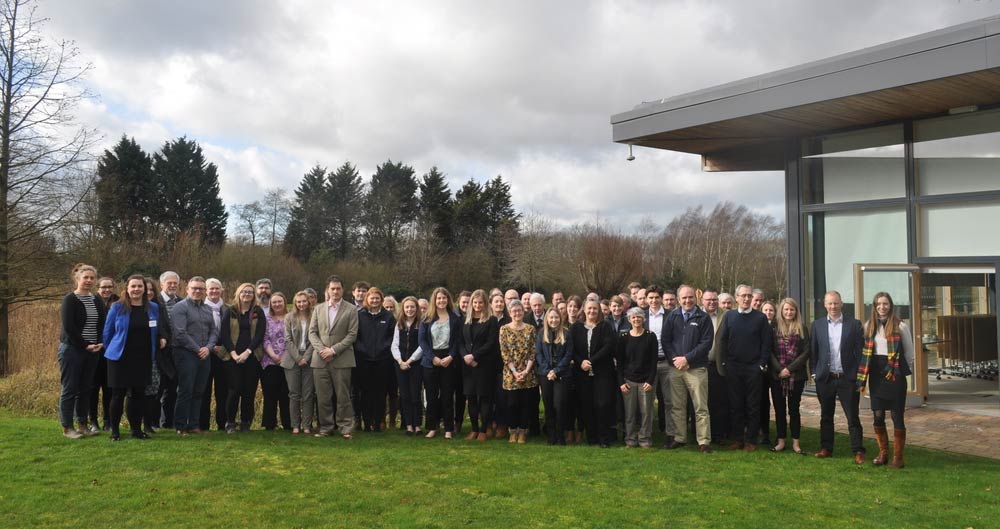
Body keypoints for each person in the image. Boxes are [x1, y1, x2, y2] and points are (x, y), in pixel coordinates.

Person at [101, 275, 166, 441]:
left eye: (140, 286)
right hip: (120, 358)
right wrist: (112, 351)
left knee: (138, 396)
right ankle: (114, 431)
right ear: (127, 289)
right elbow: (107, 333)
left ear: (144, 289)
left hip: (143, 358)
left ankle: (136, 430)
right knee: (118, 395)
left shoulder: (152, 308)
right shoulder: (117, 307)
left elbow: (156, 330)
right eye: (133, 286)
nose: (136, 289)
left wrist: (161, 339)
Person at [860, 292, 915, 468]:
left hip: (895, 374)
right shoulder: (869, 325)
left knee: (896, 415)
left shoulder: (901, 326)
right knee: (877, 415)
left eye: (885, 304)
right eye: (878, 304)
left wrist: (900, 370)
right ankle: (883, 453)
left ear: (890, 305)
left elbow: (910, 354)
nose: (882, 307)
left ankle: (898, 457)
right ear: (874, 307)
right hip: (876, 374)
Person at [809, 290, 865, 462]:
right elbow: (813, 351)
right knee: (826, 415)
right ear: (825, 305)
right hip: (825, 378)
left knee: (852, 416)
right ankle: (826, 448)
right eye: (829, 303)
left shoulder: (854, 324)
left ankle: (858, 451)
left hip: (847, 378)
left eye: (836, 303)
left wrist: (859, 376)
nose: (833, 306)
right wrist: (814, 372)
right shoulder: (817, 325)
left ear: (842, 303)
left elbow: (861, 352)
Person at [717, 284, 773, 452]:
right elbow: (723, 341)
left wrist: (761, 364)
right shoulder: (729, 316)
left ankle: (751, 440)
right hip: (734, 367)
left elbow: (766, 344)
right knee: (736, 405)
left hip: (753, 368)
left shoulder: (760, 318)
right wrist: (725, 363)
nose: (747, 298)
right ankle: (738, 438)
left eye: (749, 295)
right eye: (743, 296)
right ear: (737, 298)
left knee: (753, 405)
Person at [662, 285, 714, 453]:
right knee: (677, 406)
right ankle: (679, 438)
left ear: (695, 298)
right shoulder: (672, 317)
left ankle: (703, 441)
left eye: (690, 297)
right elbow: (666, 341)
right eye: (684, 298)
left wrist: (687, 358)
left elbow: (706, 344)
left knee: (700, 407)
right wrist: (676, 360)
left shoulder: (703, 318)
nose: (687, 300)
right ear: (678, 299)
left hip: (696, 368)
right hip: (675, 369)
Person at [58, 264, 106, 439]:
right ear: (77, 279)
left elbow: (102, 323)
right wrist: (85, 344)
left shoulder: (97, 300)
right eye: (85, 277)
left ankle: (83, 425)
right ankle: (67, 427)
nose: (89, 281)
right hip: (72, 350)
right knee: (70, 388)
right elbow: (69, 327)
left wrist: (99, 343)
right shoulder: (70, 300)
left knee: (86, 388)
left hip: (93, 350)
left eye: (92, 278)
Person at [309, 275, 359, 440]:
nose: (335, 291)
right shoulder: (318, 308)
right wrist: (323, 350)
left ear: (342, 290)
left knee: (343, 395)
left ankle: (345, 428)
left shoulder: (351, 309)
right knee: (323, 397)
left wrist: (334, 350)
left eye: (338, 288)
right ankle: (326, 427)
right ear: (327, 290)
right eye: (332, 288)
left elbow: (352, 335)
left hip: (342, 358)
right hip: (320, 359)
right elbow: (312, 333)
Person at [171, 276, 218, 436]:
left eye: (201, 289)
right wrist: (199, 349)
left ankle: (194, 425)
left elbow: (214, 331)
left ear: (205, 291)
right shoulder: (180, 307)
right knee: (186, 390)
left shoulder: (207, 309)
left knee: (199, 391)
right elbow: (179, 333)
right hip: (186, 354)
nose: (198, 291)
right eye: (194, 288)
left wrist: (209, 348)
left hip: (205, 355)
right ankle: (180, 426)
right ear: (187, 290)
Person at [220, 282, 266, 434]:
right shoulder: (230, 311)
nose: (247, 294)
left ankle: (246, 422)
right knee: (234, 390)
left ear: (254, 295)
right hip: (233, 358)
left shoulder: (258, 312)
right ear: (239, 293)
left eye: (250, 292)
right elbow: (224, 334)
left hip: (251, 357)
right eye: (244, 292)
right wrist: (234, 354)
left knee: (249, 391)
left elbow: (260, 334)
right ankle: (230, 423)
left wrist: (247, 352)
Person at [571, 299, 617, 447]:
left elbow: (608, 347)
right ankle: (592, 438)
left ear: (599, 311)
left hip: (603, 372)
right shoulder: (576, 328)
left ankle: (604, 438)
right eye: (589, 309)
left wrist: (591, 361)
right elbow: (572, 349)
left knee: (602, 404)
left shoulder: (606, 326)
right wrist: (581, 362)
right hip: (582, 373)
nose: (592, 311)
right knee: (587, 405)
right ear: (584, 310)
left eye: (595, 309)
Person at [419, 287, 463, 439]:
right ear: (434, 300)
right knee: (431, 397)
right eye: (438, 298)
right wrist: (433, 358)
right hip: (431, 361)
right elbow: (422, 341)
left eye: (444, 298)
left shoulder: (455, 319)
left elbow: (458, 341)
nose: (441, 301)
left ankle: (448, 429)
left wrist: (451, 356)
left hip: (448, 360)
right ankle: (432, 427)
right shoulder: (426, 318)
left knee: (447, 396)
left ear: (448, 300)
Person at [769, 298, 809, 454]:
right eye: (786, 309)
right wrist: (780, 369)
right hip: (776, 376)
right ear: (781, 311)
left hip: (796, 376)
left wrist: (789, 369)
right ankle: (780, 441)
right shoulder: (773, 328)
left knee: (794, 410)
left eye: (792, 309)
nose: (788, 312)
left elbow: (806, 352)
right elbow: (769, 351)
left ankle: (796, 443)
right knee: (779, 410)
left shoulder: (802, 328)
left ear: (796, 311)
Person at [460, 289, 500, 441]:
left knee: (485, 398)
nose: (477, 305)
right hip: (468, 366)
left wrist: (475, 356)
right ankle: (474, 429)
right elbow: (460, 342)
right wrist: (465, 356)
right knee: (471, 398)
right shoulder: (465, 319)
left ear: (485, 304)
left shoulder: (491, 320)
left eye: (480, 302)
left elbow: (491, 343)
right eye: (475, 302)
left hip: (484, 365)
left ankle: (484, 430)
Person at [355, 287, 395, 432]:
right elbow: (355, 337)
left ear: (381, 300)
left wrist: (382, 349)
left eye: (377, 298)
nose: (375, 300)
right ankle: (366, 422)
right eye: (372, 298)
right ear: (367, 299)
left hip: (383, 361)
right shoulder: (360, 315)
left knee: (380, 393)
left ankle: (378, 423)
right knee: (365, 393)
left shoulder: (388, 317)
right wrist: (364, 351)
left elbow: (392, 337)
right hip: (364, 361)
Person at [616, 307, 658, 448]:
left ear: (644, 319)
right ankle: (630, 439)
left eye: (639, 317)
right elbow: (620, 363)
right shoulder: (623, 338)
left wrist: (650, 381)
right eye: (633, 317)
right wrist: (621, 382)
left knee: (646, 413)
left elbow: (653, 362)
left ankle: (645, 439)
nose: (636, 319)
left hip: (645, 381)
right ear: (629, 320)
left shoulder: (650, 336)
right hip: (628, 381)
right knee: (629, 413)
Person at [499, 300, 538, 444]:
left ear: (523, 311)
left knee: (525, 404)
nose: (517, 313)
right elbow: (505, 352)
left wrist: (526, 371)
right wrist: (515, 372)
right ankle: (512, 431)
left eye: (519, 310)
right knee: (512, 404)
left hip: (528, 372)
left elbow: (533, 351)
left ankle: (522, 431)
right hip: (511, 374)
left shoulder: (531, 329)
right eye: (514, 311)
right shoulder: (504, 329)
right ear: (510, 313)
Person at [535, 307, 573, 445]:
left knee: (560, 406)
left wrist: (556, 371)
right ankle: (551, 436)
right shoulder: (541, 334)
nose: (554, 320)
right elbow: (539, 355)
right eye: (551, 317)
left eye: (556, 317)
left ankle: (560, 435)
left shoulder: (567, 334)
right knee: (548, 406)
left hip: (562, 374)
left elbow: (568, 355)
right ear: (547, 319)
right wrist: (548, 371)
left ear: (560, 319)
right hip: (545, 375)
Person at [643, 285, 676, 443]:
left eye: (657, 297)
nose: (654, 300)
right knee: (647, 401)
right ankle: (647, 434)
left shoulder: (671, 315)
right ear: (646, 299)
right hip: (648, 365)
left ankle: (671, 434)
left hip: (667, 363)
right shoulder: (641, 316)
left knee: (669, 401)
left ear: (661, 298)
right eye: (651, 298)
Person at [283, 291, 315, 435]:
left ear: (309, 302)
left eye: (304, 301)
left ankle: (307, 425)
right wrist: (298, 358)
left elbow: (316, 338)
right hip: (292, 359)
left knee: (308, 394)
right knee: (294, 394)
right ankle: (295, 425)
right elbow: (288, 340)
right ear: (295, 303)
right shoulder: (289, 317)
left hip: (310, 359)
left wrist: (306, 357)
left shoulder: (315, 316)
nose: (301, 304)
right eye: (298, 302)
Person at [701, 288, 730, 444]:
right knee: (701, 402)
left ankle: (718, 434)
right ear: (702, 301)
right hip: (699, 365)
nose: (711, 302)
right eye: (708, 300)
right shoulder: (697, 315)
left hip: (718, 364)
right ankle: (701, 434)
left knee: (719, 401)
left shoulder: (726, 315)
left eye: (714, 299)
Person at [392, 296, 423, 435]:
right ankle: (409, 425)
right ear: (403, 309)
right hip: (400, 364)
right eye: (407, 307)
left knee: (416, 395)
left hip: (416, 364)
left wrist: (410, 360)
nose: (410, 309)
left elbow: (423, 345)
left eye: (412, 307)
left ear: (416, 309)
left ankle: (417, 425)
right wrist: (400, 361)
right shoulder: (399, 324)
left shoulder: (422, 324)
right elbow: (394, 345)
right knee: (405, 396)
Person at [199, 278, 228, 431]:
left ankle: (222, 423)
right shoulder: (200, 308)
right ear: (206, 291)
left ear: (221, 290)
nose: (214, 291)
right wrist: (210, 347)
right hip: (205, 354)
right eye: (211, 289)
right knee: (204, 390)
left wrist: (223, 348)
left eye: (217, 289)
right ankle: (203, 424)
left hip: (223, 355)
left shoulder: (228, 309)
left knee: (222, 391)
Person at [89, 277, 117, 432]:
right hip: (95, 351)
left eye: (110, 287)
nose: (107, 290)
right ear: (98, 288)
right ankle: (93, 420)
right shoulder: (92, 302)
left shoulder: (119, 302)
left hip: (111, 352)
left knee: (109, 389)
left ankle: (108, 420)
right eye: (103, 287)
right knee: (93, 388)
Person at [261, 292, 292, 431]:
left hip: (289, 360)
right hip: (269, 361)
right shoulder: (266, 319)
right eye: (274, 302)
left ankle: (288, 423)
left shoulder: (291, 317)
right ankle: (269, 424)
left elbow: (294, 339)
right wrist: (273, 355)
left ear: (285, 302)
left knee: (286, 394)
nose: (277, 304)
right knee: (270, 394)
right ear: (270, 304)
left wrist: (285, 356)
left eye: (280, 301)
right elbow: (265, 338)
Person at [156, 271, 181, 429]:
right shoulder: (155, 302)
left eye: (175, 283)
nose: (172, 286)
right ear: (161, 285)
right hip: (160, 351)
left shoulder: (182, 302)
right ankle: (153, 421)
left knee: (173, 389)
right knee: (157, 388)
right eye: (169, 283)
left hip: (177, 351)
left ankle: (167, 422)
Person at [489, 293, 511, 439]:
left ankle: (502, 424)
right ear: (491, 303)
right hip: (487, 364)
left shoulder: (508, 320)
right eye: (496, 302)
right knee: (488, 396)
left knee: (502, 396)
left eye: (501, 302)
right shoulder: (487, 320)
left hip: (504, 364)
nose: (499, 304)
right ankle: (489, 423)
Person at [758, 300, 778, 447]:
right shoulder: (758, 326)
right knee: (763, 402)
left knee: (778, 404)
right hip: (763, 370)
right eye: (765, 310)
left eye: (771, 310)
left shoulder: (778, 327)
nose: (768, 313)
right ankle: (764, 432)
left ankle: (780, 434)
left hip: (777, 370)